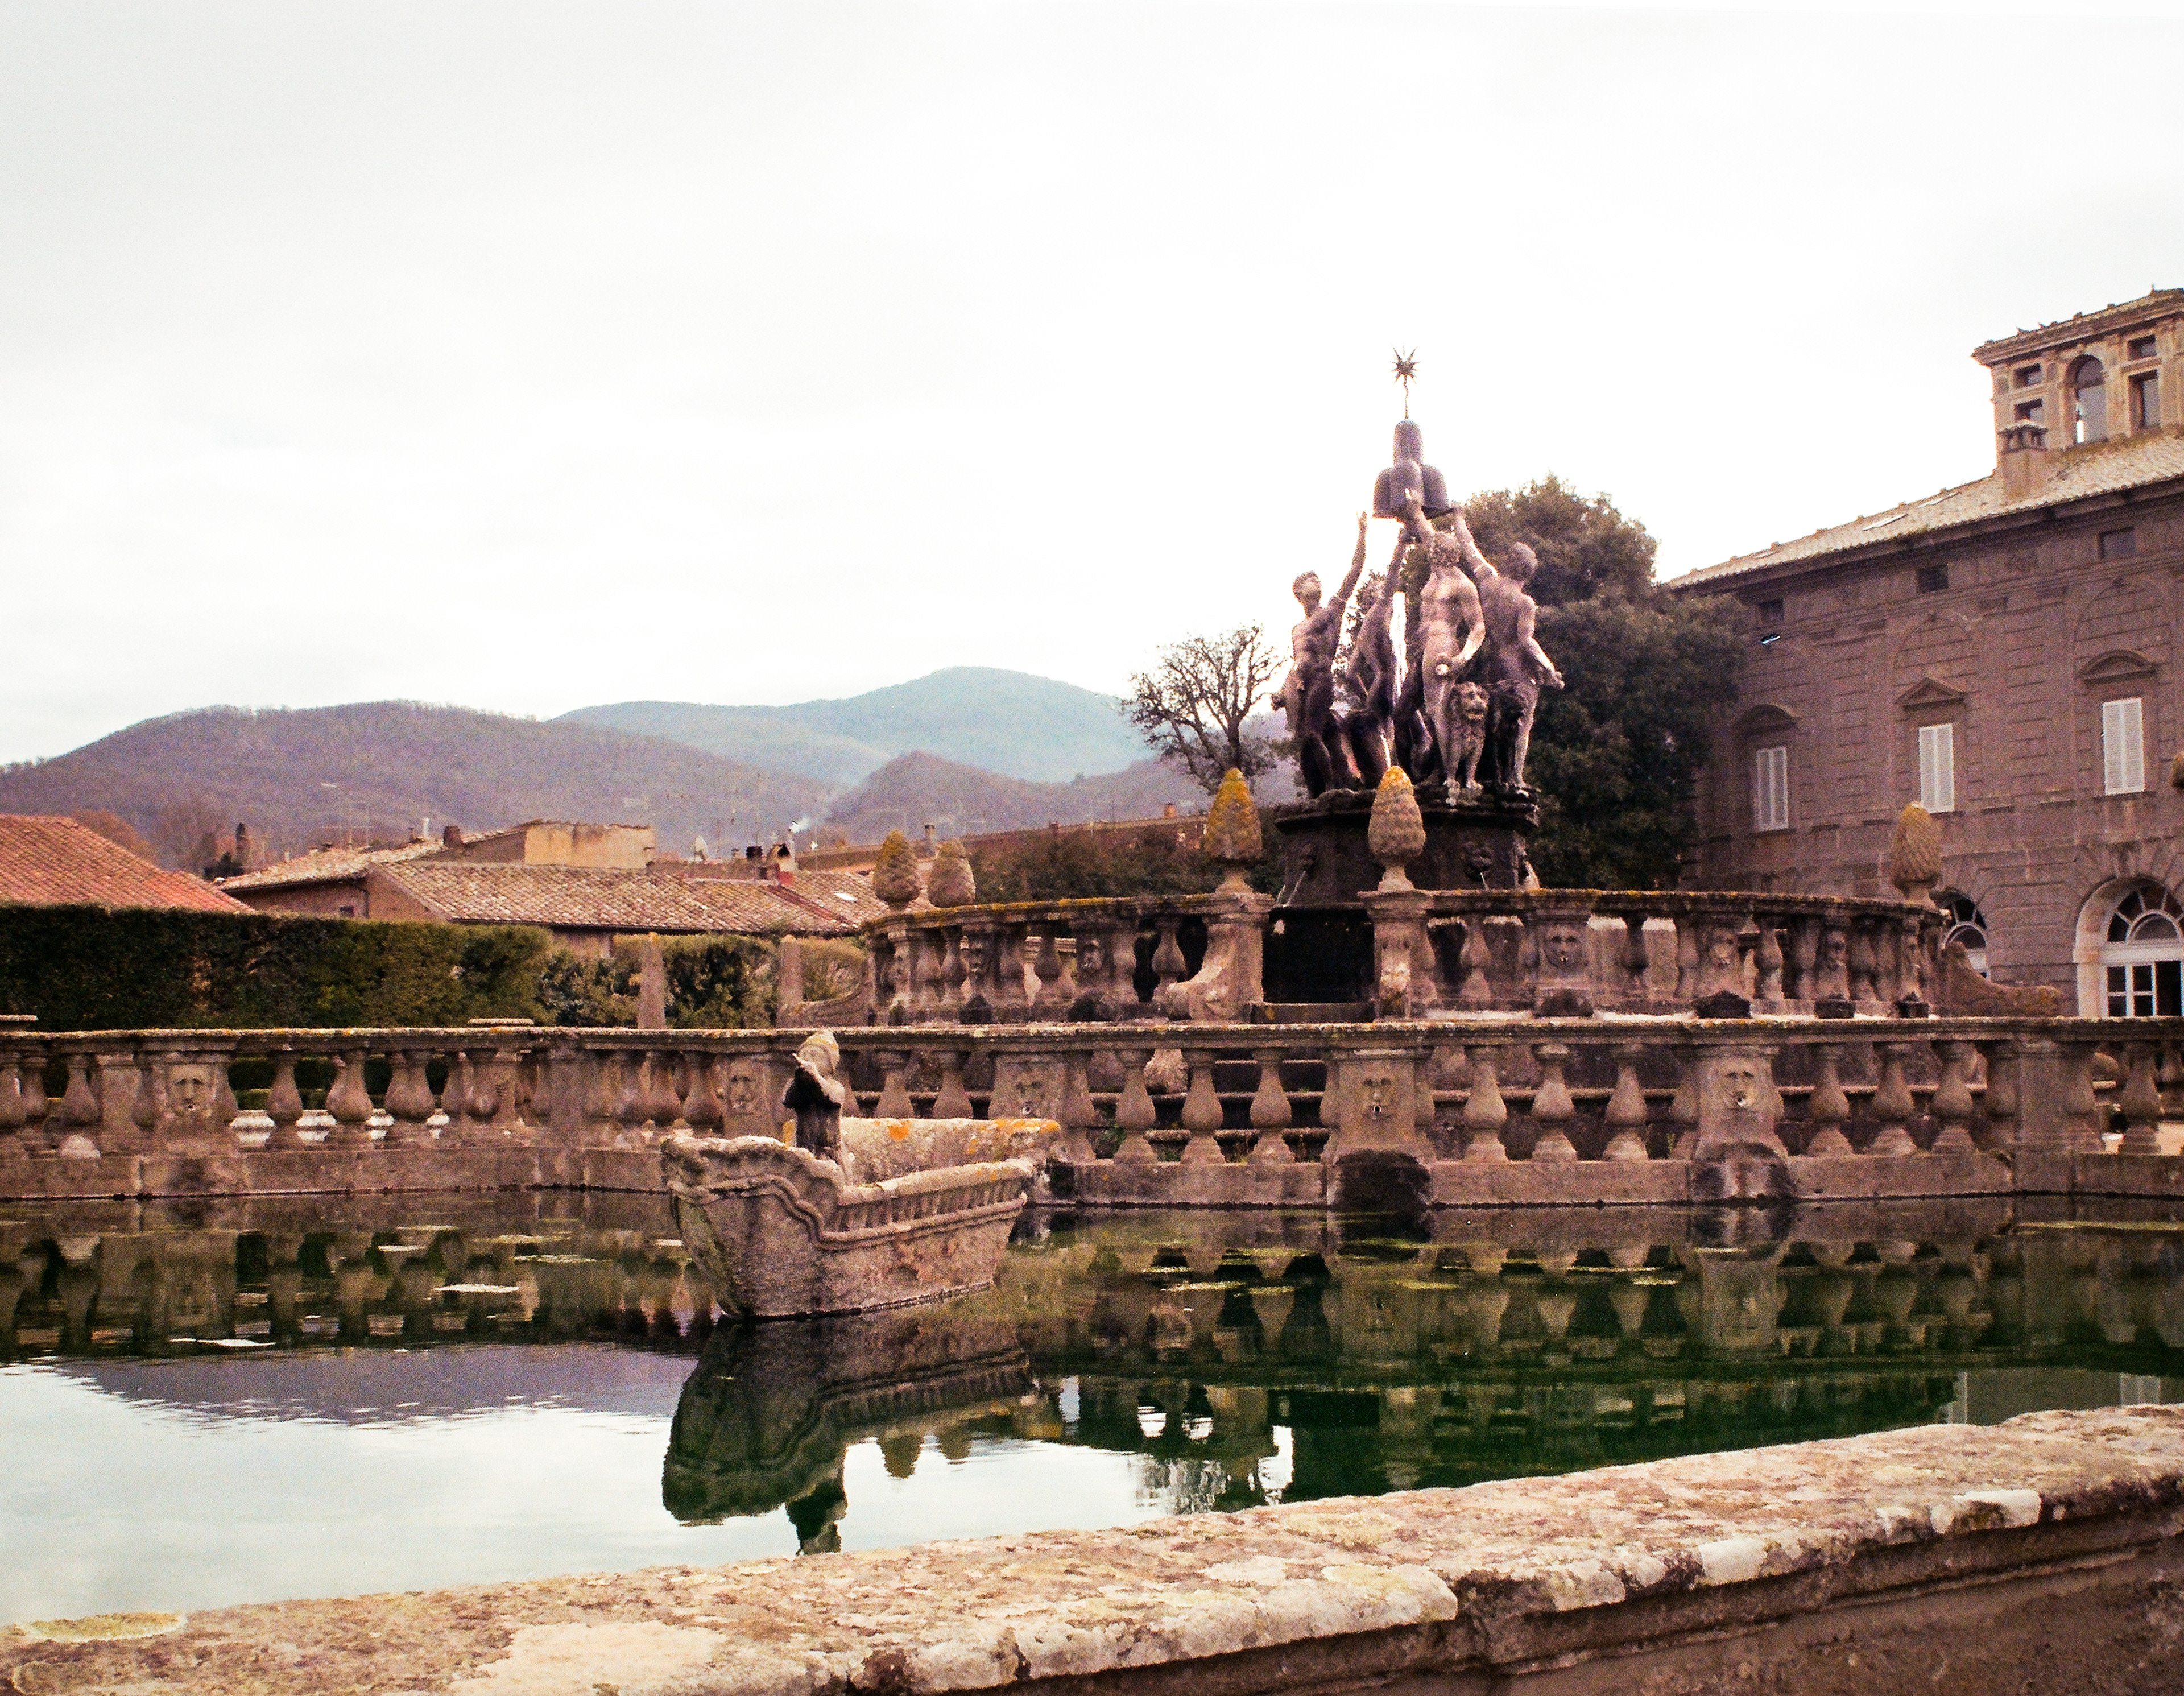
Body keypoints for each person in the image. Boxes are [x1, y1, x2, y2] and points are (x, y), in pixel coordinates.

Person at [1440, 504, 1563, 791]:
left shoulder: (1487, 582)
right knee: (1522, 726)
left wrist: (1458, 519)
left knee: (1490, 727)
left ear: (1507, 563)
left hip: (1491, 669)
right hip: (1518, 673)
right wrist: (1550, 669)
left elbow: (1470, 550)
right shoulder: (1525, 602)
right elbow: (1526, 641)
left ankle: (1486, 777)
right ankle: (1516, 778)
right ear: (1528, 574)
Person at [1277, 512, 1370, 797]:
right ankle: (1321, 789)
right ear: (1298, 592)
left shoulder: (1330, 613)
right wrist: (1284, 692)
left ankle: (1331, 790)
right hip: (1301, 686)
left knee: (1311, 734)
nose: (1316, 581)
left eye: (1317, 578)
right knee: (1309, 742)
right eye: (1309, 579)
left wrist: (1362, 535)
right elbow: (1296, 664)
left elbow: (1354, 572)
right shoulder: (1296, 629)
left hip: (1320, 679)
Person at [1398, 492, 1488, 785]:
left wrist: (1462, 658)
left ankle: (1446, 775)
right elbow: (1427, 535)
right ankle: (1417, 767)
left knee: (1439, 712)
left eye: (1440, 551)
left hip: (1444, 649)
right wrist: (1415, 511)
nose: (1433, 553)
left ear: (1451, 555)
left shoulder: (1462, 585)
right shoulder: (1436, 575)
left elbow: (1478, 628)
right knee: (1406, 711)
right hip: (1423, 649)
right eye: (1434, 550)